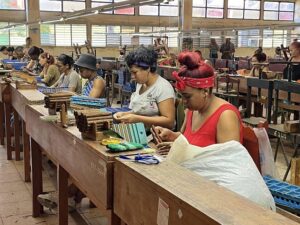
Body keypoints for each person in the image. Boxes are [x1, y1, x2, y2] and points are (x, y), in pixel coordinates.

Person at [154, 51, 243, 147]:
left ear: (205, 91)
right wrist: (172, 135)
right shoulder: (192, 110)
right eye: (181, 96)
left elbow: (229, 159)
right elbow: (188, 138)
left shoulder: (225, 116)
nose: (183, 102)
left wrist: (189, 152)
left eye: (187, 96)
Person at [113, 46, 175, 129]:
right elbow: (142, 111)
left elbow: (169, 122)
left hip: (155, 137)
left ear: (148, 68)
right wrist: (126, 114)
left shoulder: (163, 88)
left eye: (135, 72)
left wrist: (137, 119)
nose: (132, 77)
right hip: (139, 132)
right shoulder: (141, 84)